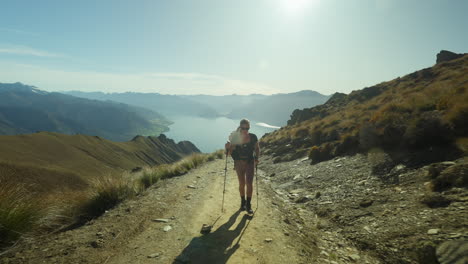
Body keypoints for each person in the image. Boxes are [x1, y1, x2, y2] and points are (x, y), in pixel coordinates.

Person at [225, 119, 260, 214]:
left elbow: (257, 148)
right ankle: (242, 203)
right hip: (239, 163)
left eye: (247, 128)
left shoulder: (253, 137)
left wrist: (256, 158)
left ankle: (248, 205)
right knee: (242, 183)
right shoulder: (235, 138)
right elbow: (229, 154)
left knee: (249, 183)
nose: (245, 130)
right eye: (243, 128)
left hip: (250, 162)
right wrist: (228, 148)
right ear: (240, 127)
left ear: (249, 128)